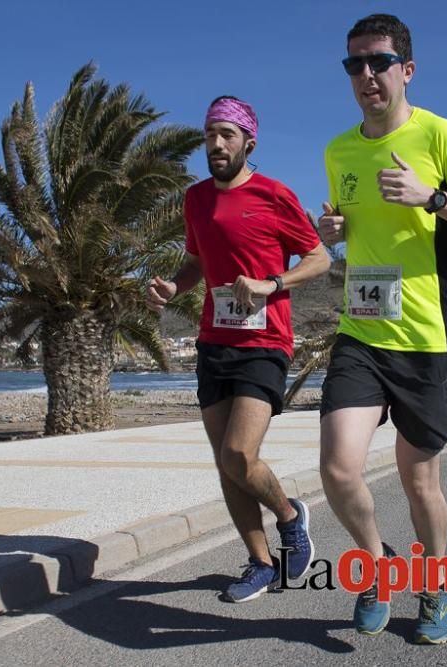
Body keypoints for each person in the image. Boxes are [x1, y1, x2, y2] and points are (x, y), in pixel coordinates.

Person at [317, 14, 447, 644]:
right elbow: (353, 231)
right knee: (339, 469)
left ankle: (436, 583)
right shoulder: (338, 150)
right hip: (361, 332)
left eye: (378, 62)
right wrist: (335, 235)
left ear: (407, 68)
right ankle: (378, 567)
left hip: (428, 339)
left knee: (417, 478)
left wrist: (432, 197)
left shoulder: (438, 134)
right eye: (355, 65)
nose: (366, 75)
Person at [147, 96, 330, 602]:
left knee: (238, 452)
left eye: (227, 135)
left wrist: (273, 282)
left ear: (249, 142)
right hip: (214, 341)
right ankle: (259, 562)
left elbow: (319, 259)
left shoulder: (274, 194)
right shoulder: (196, 198)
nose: (217, 144)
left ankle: (290, 517)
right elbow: (197, 263)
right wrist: (173, 289)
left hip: (264, 341)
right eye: (210, 136)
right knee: (223, 460)